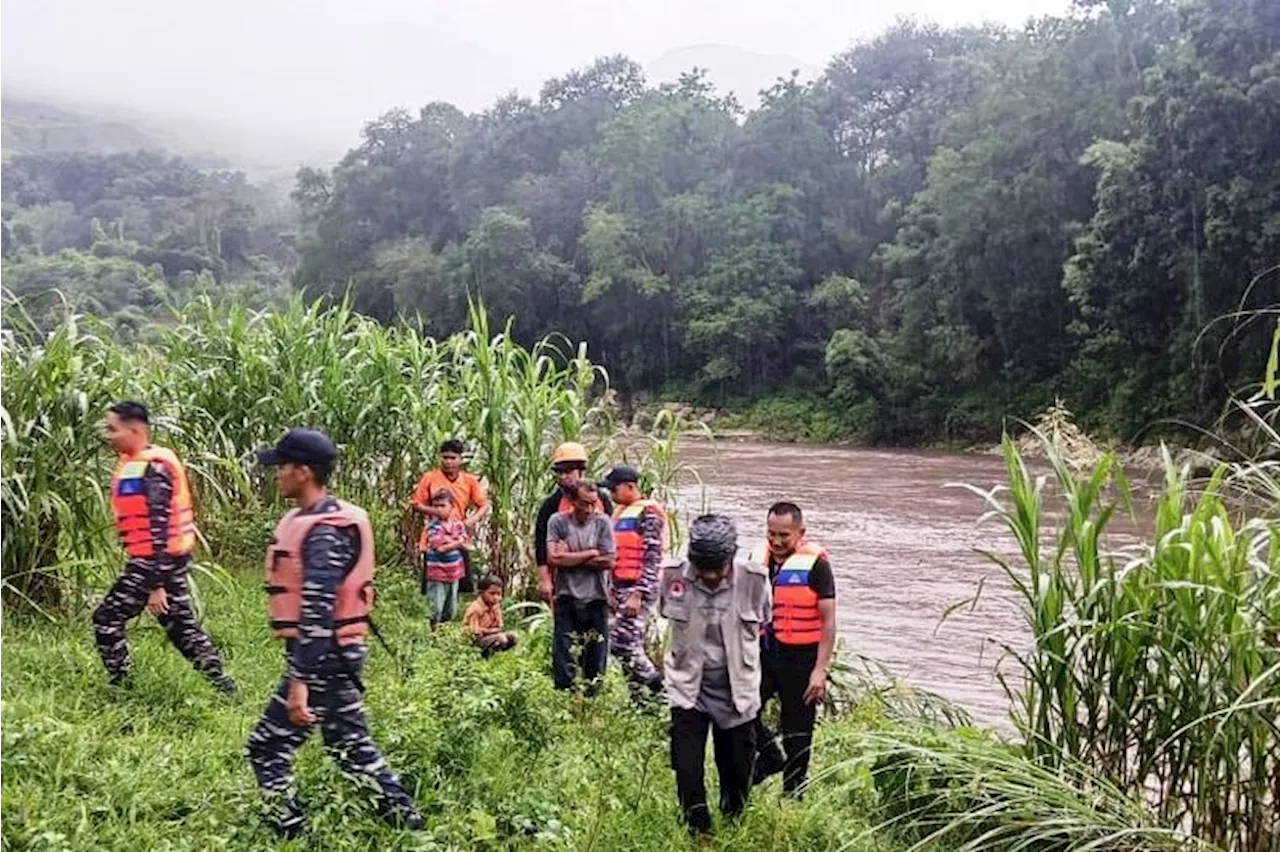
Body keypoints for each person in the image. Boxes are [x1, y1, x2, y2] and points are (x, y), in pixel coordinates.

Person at [246, 428, 422, 837]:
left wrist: (299, 682)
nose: (277, 475)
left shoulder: (325, 531)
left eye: (283, 467)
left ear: (303, 472)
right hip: (333, 653)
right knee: (350, 748)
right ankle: (410, 826)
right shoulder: (313, 519)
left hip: (324, 655)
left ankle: (290, 833)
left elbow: (317, 612)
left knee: (268, 745)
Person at [94, 400, 236, 695]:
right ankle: (224, 687)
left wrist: (154, 583)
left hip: (155, 561)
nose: (109, 435)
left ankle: (122, 684)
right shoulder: (135, 462)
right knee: (180, 626)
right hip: (161, 559)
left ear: (135, 429)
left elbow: (158, 527)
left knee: (106, 617)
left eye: (113, 429)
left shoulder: (154, 467)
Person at [661, 514, 770, 839]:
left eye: (716, 569)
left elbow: (765, 620)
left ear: (731, 557)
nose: (708, 576)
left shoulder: (754, 580)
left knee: (737, 769)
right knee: (687, 767)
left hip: (737, 689)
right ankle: (699, 833)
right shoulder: (671, 576)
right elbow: (663, 612)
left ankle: (733, 822)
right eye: (702, 569)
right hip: (688, 687)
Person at [750, 501, 838, 797]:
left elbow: (828, 622)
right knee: (741, 711)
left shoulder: (817, 566)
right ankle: (769, 758)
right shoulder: (756, 559)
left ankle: (792, 799)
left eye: (784, 535)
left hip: (802, 660)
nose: (776, 541)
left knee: (798, 736)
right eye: (771, 533)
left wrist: (820, 671)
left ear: (800, 532)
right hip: (764, 654)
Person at [599, 465, 666, 700]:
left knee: (623, 643)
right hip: (618, 587)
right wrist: (609, 588)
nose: (611, 495)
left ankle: (661, 692)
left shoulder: (648, 513)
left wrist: (639, 592)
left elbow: (653, 556)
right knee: (620, 643)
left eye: (614, 489)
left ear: (630, 486)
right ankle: (638, 698)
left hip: (638, 588)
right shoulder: (620, 513)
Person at [546, 479, 615, 693]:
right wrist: (590, 553)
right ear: (572, 501)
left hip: (597, 597)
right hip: (566, 595)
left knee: (596, 654)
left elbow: (609, 561)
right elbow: (554, 560)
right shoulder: (558, 521)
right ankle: (565, 696)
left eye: (593, 503)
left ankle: (592, 699)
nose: (589, 509)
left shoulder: (602, 522)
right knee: (563, 651)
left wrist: (570, 557)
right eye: (584, 503)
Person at [534, 441, 613, 605]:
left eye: (568, 472)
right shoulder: (551, 504)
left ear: (581, 471)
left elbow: (609, 546)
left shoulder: (601, 499)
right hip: (564, 580)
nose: (563, 477)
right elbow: (541, 544)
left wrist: (569, 556)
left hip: (597, 580)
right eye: (560, 472)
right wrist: (544, 580)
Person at [412, 439, 490, 591]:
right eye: (445, 457)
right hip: (435, 535)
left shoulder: (469, 481)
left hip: (457, 533)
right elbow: (416, 504)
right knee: (434, 580)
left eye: (453, 458)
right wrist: (439, 513)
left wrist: (472, 520)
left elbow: (484, 505)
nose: (448, 462)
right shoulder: (430, 478)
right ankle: (434, 611)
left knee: (460, 581)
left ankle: (452, 611)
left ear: (460, 459)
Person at [422, 489, 472, 627]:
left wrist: (452, 542)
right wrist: (458, 543)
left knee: (450, 609)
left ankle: (444, 636)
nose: (438, 509)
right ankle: (434, 635)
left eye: (442, 506)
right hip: (437, 572)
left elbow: (466, 541)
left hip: (454, 572)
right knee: (435, 608)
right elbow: (439, 547)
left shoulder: (458, 524)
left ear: (452, 506)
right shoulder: (433, 526)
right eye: (435, 506)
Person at [463, 574, 519, 657]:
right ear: (482, 593)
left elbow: (500, 627)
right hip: (475, 642)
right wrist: (491, 631)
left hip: (490, 637)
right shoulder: (475, 609)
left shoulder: (495, 607)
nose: (496, 597)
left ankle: (498, 655)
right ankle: (484, 656)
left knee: (514, 637)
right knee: (501, 639)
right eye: (492, 593)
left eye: (498, 594)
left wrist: (489, 631)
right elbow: (474, 633)